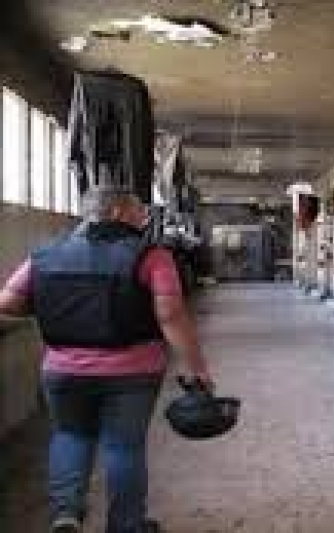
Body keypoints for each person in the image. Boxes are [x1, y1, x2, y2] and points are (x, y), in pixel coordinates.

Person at [0, 189, 214, 533]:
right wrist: (197, 368)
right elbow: (171, 316)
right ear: (115, 212)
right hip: (133, 371)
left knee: (70, 436)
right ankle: (126, 525)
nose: (144, 217)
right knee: (124, 446)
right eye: (138, 210)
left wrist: (51, 308)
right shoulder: (151, 256)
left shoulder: (45, 254)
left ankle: (66, 516)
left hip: (63, 370)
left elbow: (8, 303)